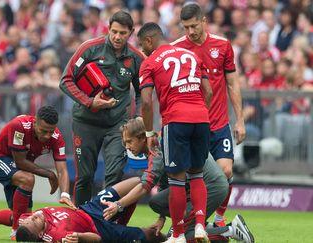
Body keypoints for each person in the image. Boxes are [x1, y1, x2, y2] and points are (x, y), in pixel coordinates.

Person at [104, 118, 254, 243]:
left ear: (142, 137)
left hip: (211, 186)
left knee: (181, 237)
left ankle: (230, 230)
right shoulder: (159, 142)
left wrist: (119, 205)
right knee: (156, 202)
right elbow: (165, 185)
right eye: (125, 143)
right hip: (206, 184)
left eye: (129, 141)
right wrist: (161, 219)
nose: (127, 147)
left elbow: (145, 185)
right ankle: (204, 225)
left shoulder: (157, 148)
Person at [59, 10, 145, 206]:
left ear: (131, 32)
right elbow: (65, 80)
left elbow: (143, 91)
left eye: (122, 33)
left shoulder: (136, 58)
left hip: (117, 125)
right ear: (108, 28)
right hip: (86, 122)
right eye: (114, 31)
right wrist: (90, 102)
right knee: (85, 177)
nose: (117, 36)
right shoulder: (89, 49)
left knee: (114, 173)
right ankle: (81, 220)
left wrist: (139, 116)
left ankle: (105, 223)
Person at [171, 3, 246, 227]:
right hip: (191, 126)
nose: (190, 32)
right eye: (185, 27)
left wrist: (240, 120)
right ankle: (187, 222)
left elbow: (232, 83)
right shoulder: (177, 49)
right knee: (188, 178)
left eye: (193, 26)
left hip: (219, 123)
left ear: (204, 21)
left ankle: (220, 220)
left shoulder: (222, 45)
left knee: (226, 170)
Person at [138, 22, 213, 243]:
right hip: (201, 118)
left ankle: (178, 235)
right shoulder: (191, 55)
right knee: (197, 175)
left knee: (177, 180)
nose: (143, 50)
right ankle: (200, 227)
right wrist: (199, 111)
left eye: (143, 45)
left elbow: (145, 101)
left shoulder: (150, 63)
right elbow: (208, 90)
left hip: (176, 120)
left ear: (150, 40)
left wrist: (150, 132)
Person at [0, 106, 73, 240]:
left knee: (27, 220)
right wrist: (50, 174)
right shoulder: (19, 126)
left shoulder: (56, 137)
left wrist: (65, 194)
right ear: (35, 122)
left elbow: (62, 169)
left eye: (51, 131)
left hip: (21, 168)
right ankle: (15, 231)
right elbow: (20, 162)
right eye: (43, 131)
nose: (47, 135)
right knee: (28, 179)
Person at [14, 177, 166, 243]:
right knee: (150, 235)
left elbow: (10, 217)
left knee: (137, 182)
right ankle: (170, 238)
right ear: (40, 233)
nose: (33, 216)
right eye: (34, 221)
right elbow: (96, 239)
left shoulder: (27, 219)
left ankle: (121, 221)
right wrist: (79, 237)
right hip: (99, 229)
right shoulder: (57, 235)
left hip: (89, 208)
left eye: (29, 218)